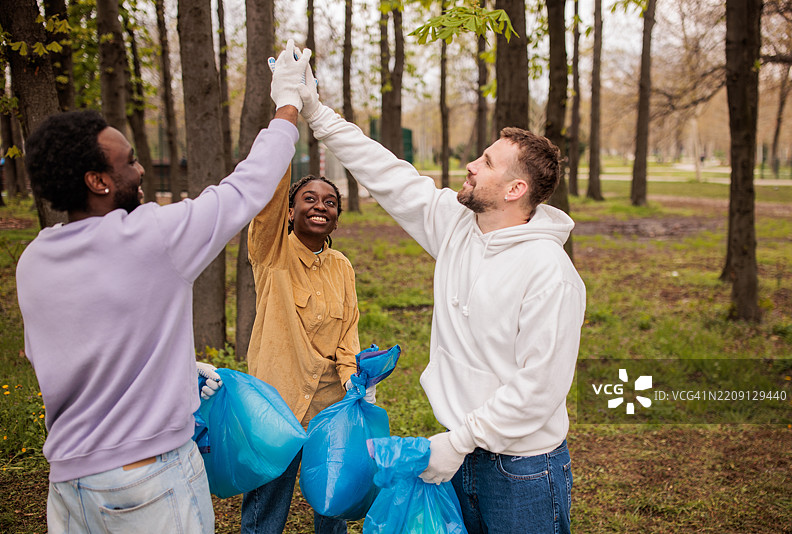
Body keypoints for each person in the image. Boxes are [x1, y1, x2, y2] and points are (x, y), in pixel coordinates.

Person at [273, 60, 586, 533]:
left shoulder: (550, 273)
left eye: (486, 163)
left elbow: (538, 391)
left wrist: (458, 441)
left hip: (520, 471)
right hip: (455, 457)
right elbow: (385, 171)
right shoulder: (457, 227)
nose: (471, 165)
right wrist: (316, 112)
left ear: (515, 189)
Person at [15, 40, 309, 533]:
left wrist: (169, 368)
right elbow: (246, 187)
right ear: (97, 181)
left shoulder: (34, 259)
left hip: (70, 486)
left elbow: (50, 355)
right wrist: (288, 104)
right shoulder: (151, 236)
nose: (141, 168)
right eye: (128, 162)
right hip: (146, 479)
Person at [240, 125, 366, 534]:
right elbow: (267, 206)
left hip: (329, 409)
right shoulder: (271, 253)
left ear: (336, 216)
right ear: (290, 211)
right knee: (266, 506)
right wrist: (286, 127)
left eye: (330, 202)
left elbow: (348, 332)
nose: (320, 206)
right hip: (276, 405)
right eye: (308, 199)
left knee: (332, 503)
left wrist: (354, 378)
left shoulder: (342, 266)